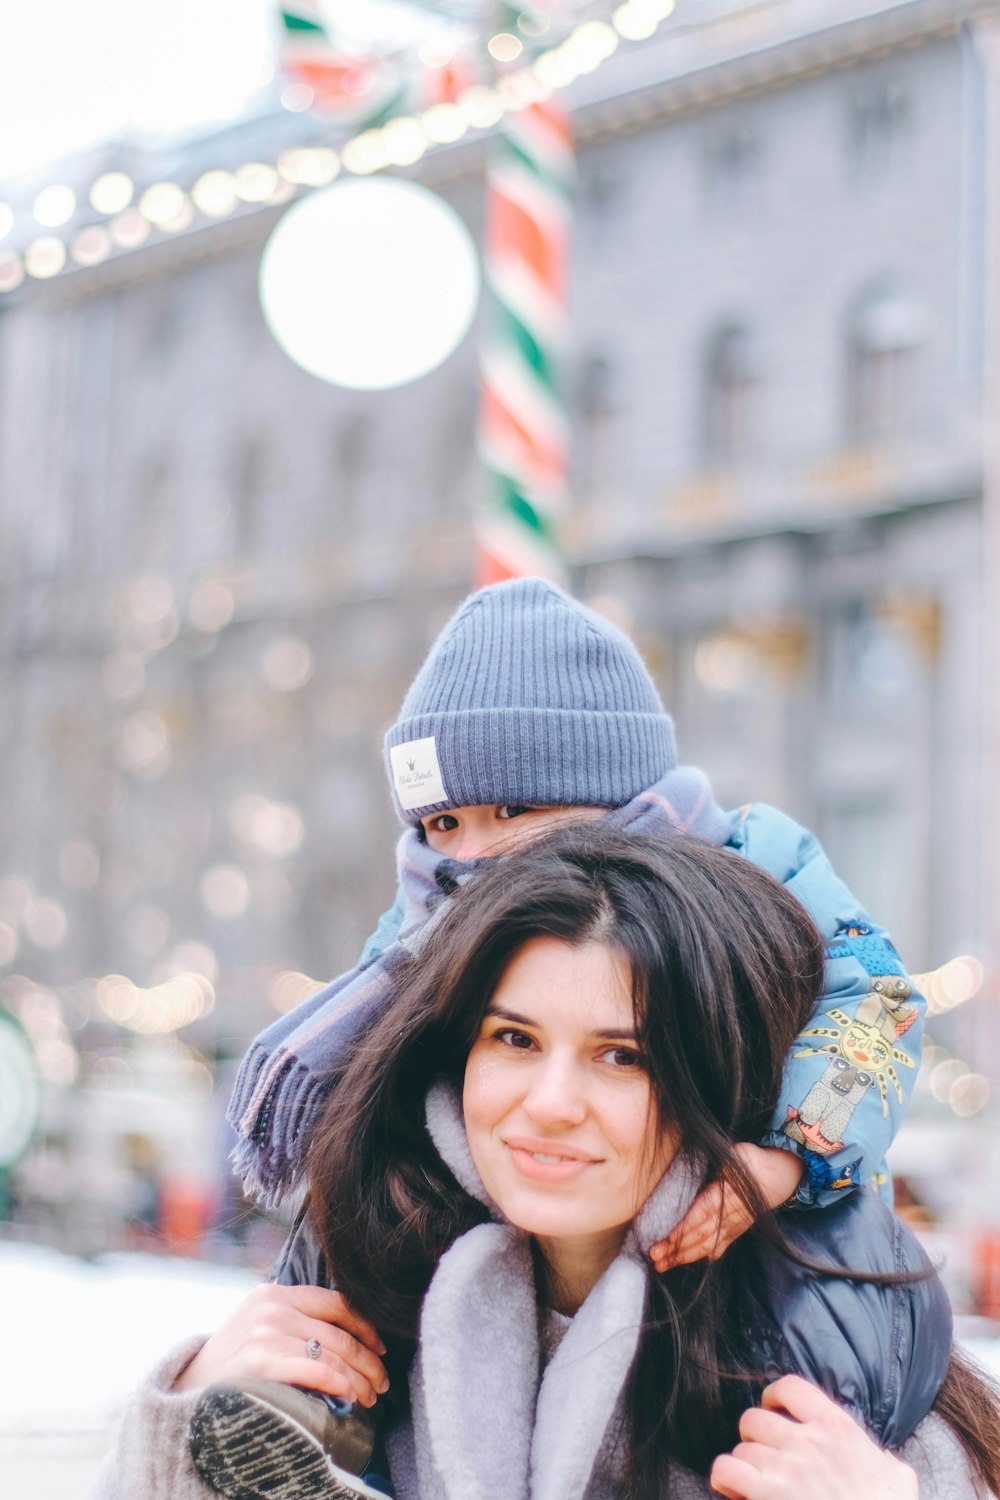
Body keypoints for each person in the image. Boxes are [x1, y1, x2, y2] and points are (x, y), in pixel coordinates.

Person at [205, 577, 932, 1497]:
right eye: (442, 822)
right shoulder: (424, 923)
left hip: (764, 1231)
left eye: (512, 813)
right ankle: (314, 1411)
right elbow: (368, 1092)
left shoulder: (753, 863)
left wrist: (789, 1157)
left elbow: (877, 1010)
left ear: (611, 795)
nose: (470, 858)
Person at [95, 828, 997, 1500]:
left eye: (624, 1056)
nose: (552, 1101)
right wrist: (185, 1423)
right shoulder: (370, 1287)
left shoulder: (838, 1346)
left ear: (717, 1085)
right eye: (515, 1038)